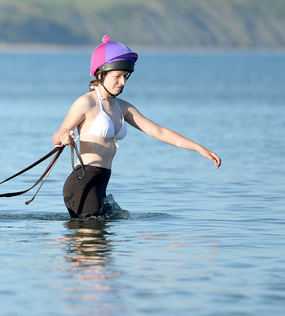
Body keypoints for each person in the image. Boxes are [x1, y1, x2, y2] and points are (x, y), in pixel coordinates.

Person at [53, 35, 221, 218]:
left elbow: (158, 131)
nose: (123, 82)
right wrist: (63, 137)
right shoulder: (86, 103)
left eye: (125, 76)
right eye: (117, 76)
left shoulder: (122, 107)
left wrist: (199, 148)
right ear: (100, 74)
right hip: (83, 182)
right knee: (94, 243)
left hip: (101, 182)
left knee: (101, 244)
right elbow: (58, 134)